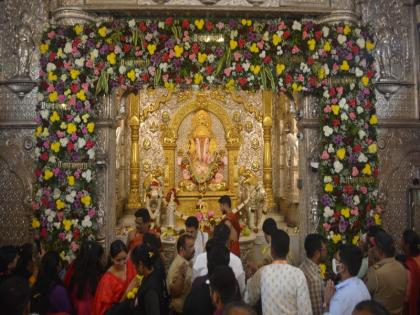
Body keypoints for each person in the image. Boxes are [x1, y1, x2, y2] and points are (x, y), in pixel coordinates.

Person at [245, 229, 312, 315]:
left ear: (272, 251)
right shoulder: (298, 275)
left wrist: (248, 279)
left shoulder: (262, 273)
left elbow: (248, 299)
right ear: (288, 250)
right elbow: (306, 311)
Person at [193, 223, 246, 296]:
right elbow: (241, 289)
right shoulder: (236, 261)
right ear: (228, 240)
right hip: (228, 303)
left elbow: (194, 284)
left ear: (213, 237)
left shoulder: (200, 258)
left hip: (202, 300)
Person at [366, 231, 407, 315]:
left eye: (375, 248)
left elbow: (365, 294)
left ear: (380, 251)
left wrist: (370, 264)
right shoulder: (402, 267)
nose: (373, 250)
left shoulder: (376, 273)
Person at [183, 242, 231, 315]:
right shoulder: (233, 286)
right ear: (227, 264)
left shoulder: (198, 283)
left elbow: (187, 309)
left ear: (208, 263)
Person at [92, 240, 137, 315]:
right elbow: (107, 312)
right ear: (112, 258)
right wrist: (126, 293)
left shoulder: (130, 266)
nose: (122, 263)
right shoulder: (107, 280)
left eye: (124, 258)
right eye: (118, 260)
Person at [324, 244, 370, 315]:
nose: (334, 261)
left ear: (341, 267)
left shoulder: (340, 297)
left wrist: (327, 303)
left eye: (336, 259)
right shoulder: (361, 285)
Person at [65, 241, 104, 315]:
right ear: (95, 259)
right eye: (100, 258)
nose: (101, 260)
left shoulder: (74, 267)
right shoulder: (96, 276)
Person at [130, 244, 169, 315]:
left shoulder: (150, 291)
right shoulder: (155, 272)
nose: (134, 268)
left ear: (141, 264)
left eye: (135, 265)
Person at [167, 234, 195, 314]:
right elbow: (174, 293)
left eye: (193, 246)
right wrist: (181, 276)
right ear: (181, 249)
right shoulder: (179, 265)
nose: (194, 249)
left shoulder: (185, 262)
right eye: (190, 247)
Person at [299, 233, 327, 315]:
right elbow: (318, 311)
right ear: (317, 253)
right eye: (324, 249)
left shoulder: (303, 266)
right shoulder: (313, 279)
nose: (326, 252)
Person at [401, 229, 420, 315]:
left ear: (407, 245)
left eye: (402, 240)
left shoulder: (409, 265)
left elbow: (407, 297)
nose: (400, 242)